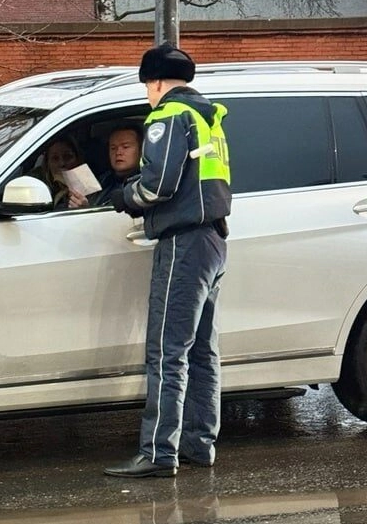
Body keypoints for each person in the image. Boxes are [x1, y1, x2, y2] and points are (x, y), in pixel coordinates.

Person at [103, 43, 231, 479]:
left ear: (155, 81)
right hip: (214, 239)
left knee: (166, 350)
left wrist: (122, 197)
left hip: (183, 243)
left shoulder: (167, 117)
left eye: (146, 87)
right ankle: (199, 445)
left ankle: (159, 452)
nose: (147, 95)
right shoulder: (208, 116)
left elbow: (158, 186)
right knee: (201, 352)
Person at [30, 135, 88, 209]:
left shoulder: (92, 190)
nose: (62, 163)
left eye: (67, 157)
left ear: (78, 160)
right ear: (48, 163)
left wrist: (84, 209)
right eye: (55, 158)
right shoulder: (38, 187)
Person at [93, 124, 143, 206]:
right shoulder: (103, 181)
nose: (118, 152)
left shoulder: (145, 184)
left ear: (140, 150)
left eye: (125, 147)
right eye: (113, 148)